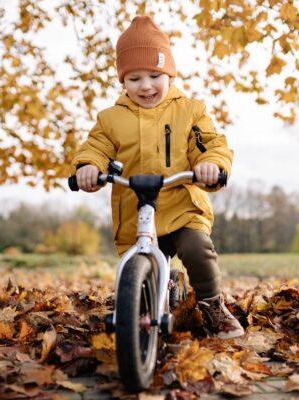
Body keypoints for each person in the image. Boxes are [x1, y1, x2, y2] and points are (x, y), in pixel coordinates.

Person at [72, 16, 244, 339]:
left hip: (181, 206)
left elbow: (211, 144)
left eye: (154, 75)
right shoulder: (111, 119)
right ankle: (142, 313)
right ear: (123, 81)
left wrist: (210, 164)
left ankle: (212, 305)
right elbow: (95, 147)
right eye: (135, 78)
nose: (146, 85)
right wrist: (87, 167)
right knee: (139, 270)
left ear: (169, 73)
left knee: (197, 249)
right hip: (138, 213)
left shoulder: (190, 111)